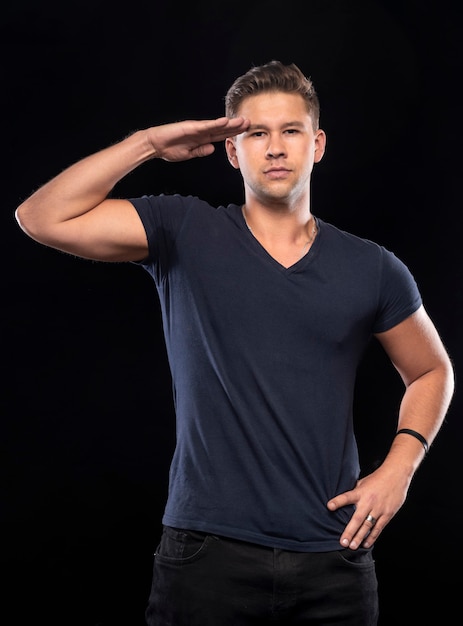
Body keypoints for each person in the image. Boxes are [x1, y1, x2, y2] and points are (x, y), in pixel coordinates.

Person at [15, 60, 454, 625]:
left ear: (316, 145)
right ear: (231, 150)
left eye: (290, 131)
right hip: (206, 558)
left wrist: (400, 468)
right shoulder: (182, 231)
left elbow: (431, 371)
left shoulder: (373, 269)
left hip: (333, 559)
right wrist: (148, 143)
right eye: (255, 133)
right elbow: (40, 216)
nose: (275, 147)